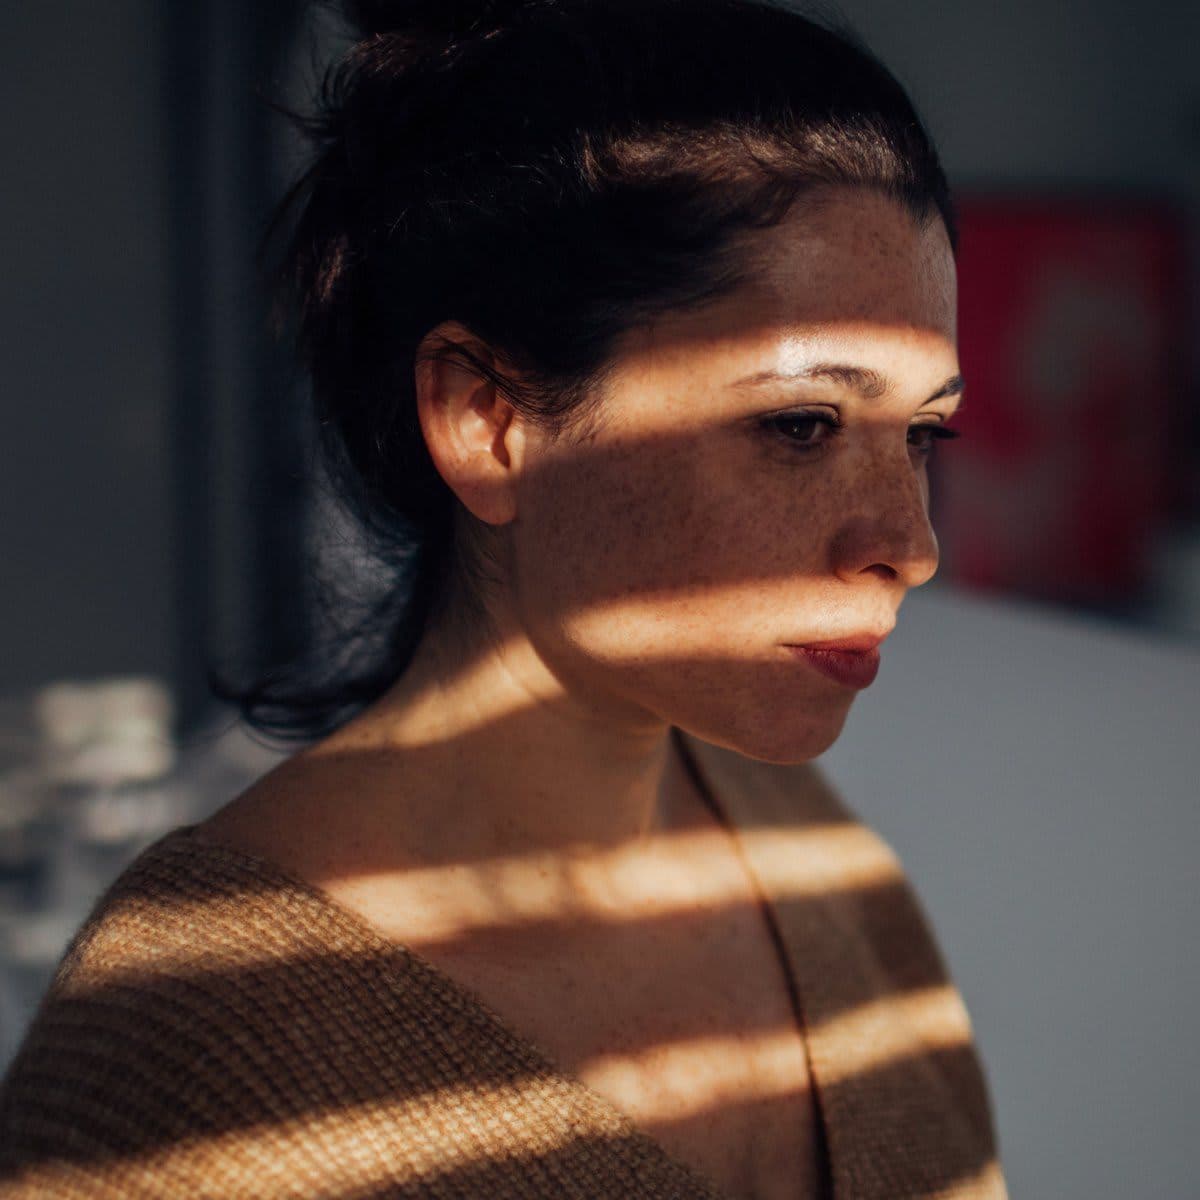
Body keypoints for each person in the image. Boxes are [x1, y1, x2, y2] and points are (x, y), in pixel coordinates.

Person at [0, 1, 1009, 1196]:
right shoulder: (194, 1036)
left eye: (923, 433)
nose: (908, 542)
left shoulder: (810, 860)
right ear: (489, 423)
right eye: (800, 424)